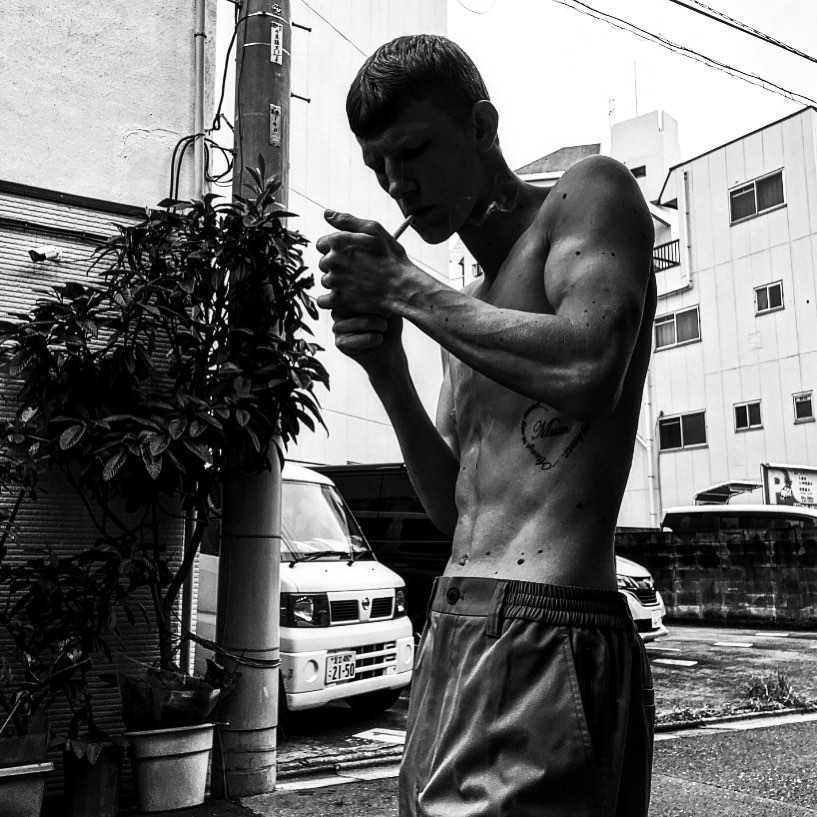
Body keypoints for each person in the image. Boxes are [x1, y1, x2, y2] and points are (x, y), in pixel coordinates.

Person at [316, 33, 657, 817]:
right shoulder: (467, 314)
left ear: (480, 125)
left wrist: (406, 289)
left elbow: (588, 367)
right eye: (378, 168)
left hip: (548, 624)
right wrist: (387, 371)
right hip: (451, 623)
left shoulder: (589, 195)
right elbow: (454, 510)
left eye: (413, 151)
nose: (398, 183)